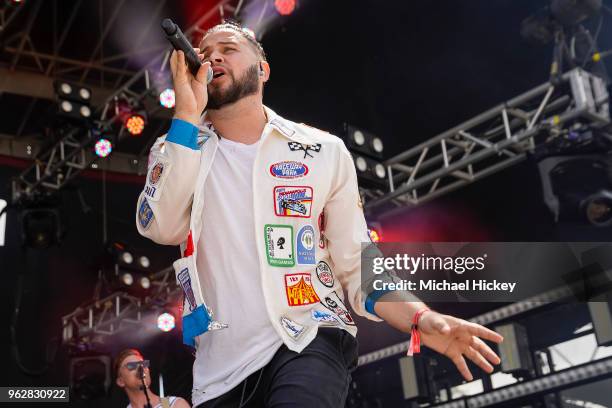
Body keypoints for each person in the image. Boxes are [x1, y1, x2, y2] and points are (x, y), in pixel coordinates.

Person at [136, 20, 504, 407]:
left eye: (227, 49)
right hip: (218, 372)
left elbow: (357, 260)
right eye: (204, 53)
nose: (213, 57)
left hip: (307, 339)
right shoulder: (177, 147)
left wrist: (421, 318)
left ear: (262, 69)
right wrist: (186, 116)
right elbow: (158, 226)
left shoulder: (321, 150)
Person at [115, 349, 191, 408]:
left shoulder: (172, 405)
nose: (140, 367)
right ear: (121, 381)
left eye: (143, 364)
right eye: (131, 366)